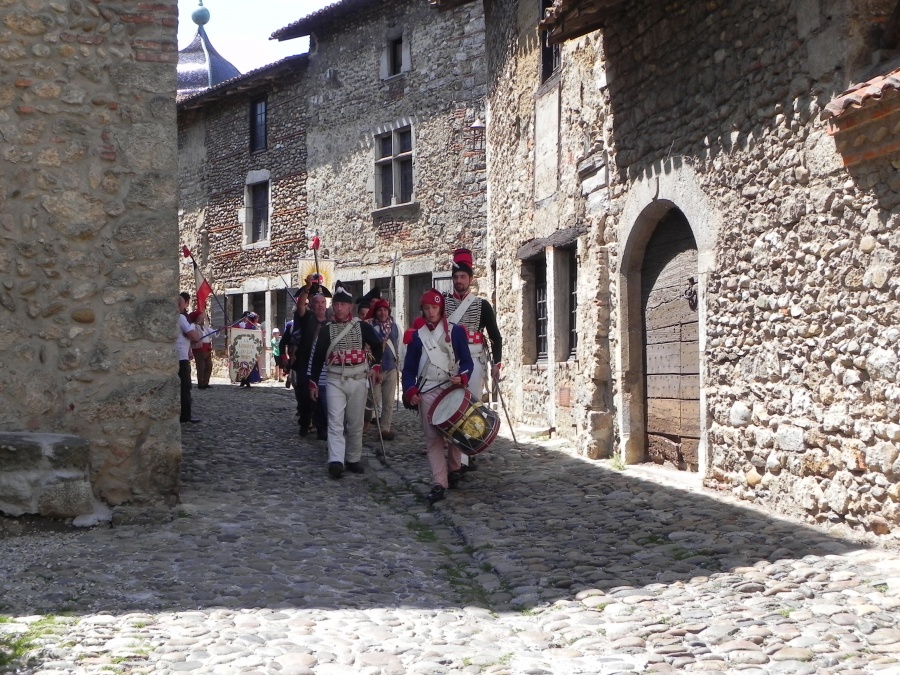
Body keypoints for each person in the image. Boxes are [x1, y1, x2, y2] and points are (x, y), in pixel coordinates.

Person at [402, 289, 473, 505]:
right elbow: (408, 370)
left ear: (440, 308)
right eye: (426, 308)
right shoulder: (416, 336)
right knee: (433, 439)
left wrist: (462, 378)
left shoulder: (456, 332)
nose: (431, 312)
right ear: (422, 309)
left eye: (434, 307)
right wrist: (410, 390)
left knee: (455, 434)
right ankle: (439, 483)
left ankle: (454, 469)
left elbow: (467, 363)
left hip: (450, 389)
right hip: (427, 390)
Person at [309, 281, 384, 479]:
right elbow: (317, 357)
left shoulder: (362, 327)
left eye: (343, 305)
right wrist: (314, 382)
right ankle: (335, 460)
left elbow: (377, 345)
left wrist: (375, 366)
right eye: (336, 305)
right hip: (335, 378)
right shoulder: (326, 329)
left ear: (350, 306)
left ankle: (353, 458)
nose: (339, 308)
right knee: (335, 420)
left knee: (355, 421)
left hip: (358, 378)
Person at [444, 248, 502, 472]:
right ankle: (456, 457)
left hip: (475, 359)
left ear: (470, 279)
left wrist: (496, 363)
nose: (459, 281)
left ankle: (467, 452)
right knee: (452, 407)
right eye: (456, 277)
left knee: (471, 406)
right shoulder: (444, 304)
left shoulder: (482, 306)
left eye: (463, 277)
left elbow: (495, 336)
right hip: (451, 360)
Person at [289, 276, 331, 438]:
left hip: (322, 366)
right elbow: (300, 305)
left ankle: (322, 429)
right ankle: (305, 423)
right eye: (317, 303)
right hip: (305, 364)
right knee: (306, 398)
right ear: (312, 305)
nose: (320, 306)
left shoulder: (330, 323)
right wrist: (307, 288)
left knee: (321, 399)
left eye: (322, 303)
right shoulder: (307, 318)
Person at [366, 298, 400, 440]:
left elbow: (398, 346)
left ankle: (384, 429)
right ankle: (366, 422)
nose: (383, 313)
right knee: (373, 398)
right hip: (376, 369)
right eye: (380, 310)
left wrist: (399, 366)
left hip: (391, 368)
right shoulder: (370, 327)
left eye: (385, 310)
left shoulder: (395, 327)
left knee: (388, 402)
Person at [177, 292, 201, 424]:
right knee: (185, 387)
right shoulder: (181, 318)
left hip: (181, 354)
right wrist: (193, 326)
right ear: (182, 305)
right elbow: (194, 336)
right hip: (181, 357)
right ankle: (185, 415)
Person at [237, 311, 262, 388]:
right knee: (242, 365)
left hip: (250, 348)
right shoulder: (240, 325)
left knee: (250, 365)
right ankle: (243, 381)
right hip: (241, 348)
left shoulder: (252, 326)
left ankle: (247, 381)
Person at [191, 312, 215, 389]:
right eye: (201, 318)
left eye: (203, 318)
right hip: (199, 348)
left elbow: (212, 332)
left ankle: (205, 382)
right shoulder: (193, 326)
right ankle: (200, 384)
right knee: (201, 366)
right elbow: (191, 333)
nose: (203, 319)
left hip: (207, 348)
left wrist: (218, 330)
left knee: (209, 366)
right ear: (197, 318)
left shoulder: (205, 327)